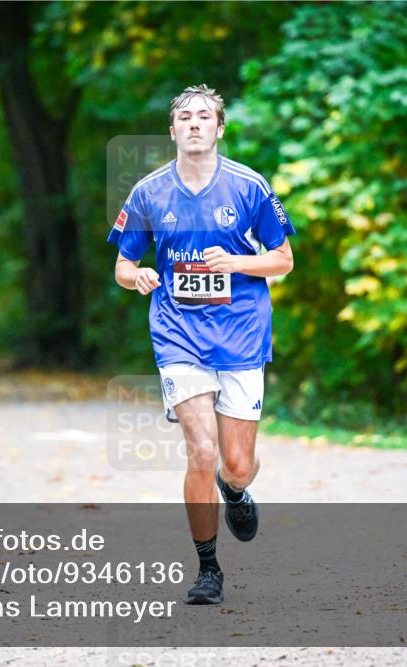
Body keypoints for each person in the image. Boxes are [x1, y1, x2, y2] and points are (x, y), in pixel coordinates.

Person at [107, 84, 295, 604]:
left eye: (204, 116)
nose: (194, 123)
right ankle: (208, 569)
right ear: (172, 131)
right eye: (185, 117)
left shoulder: (249, 187)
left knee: (235, 464)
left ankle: (234, 490)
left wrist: (235, 262)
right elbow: (123, 264)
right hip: (178, 334)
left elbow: (282, 260)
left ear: (219, 128)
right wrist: (138, 276)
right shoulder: (148, 192)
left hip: (240, 335)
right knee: (201, 449)